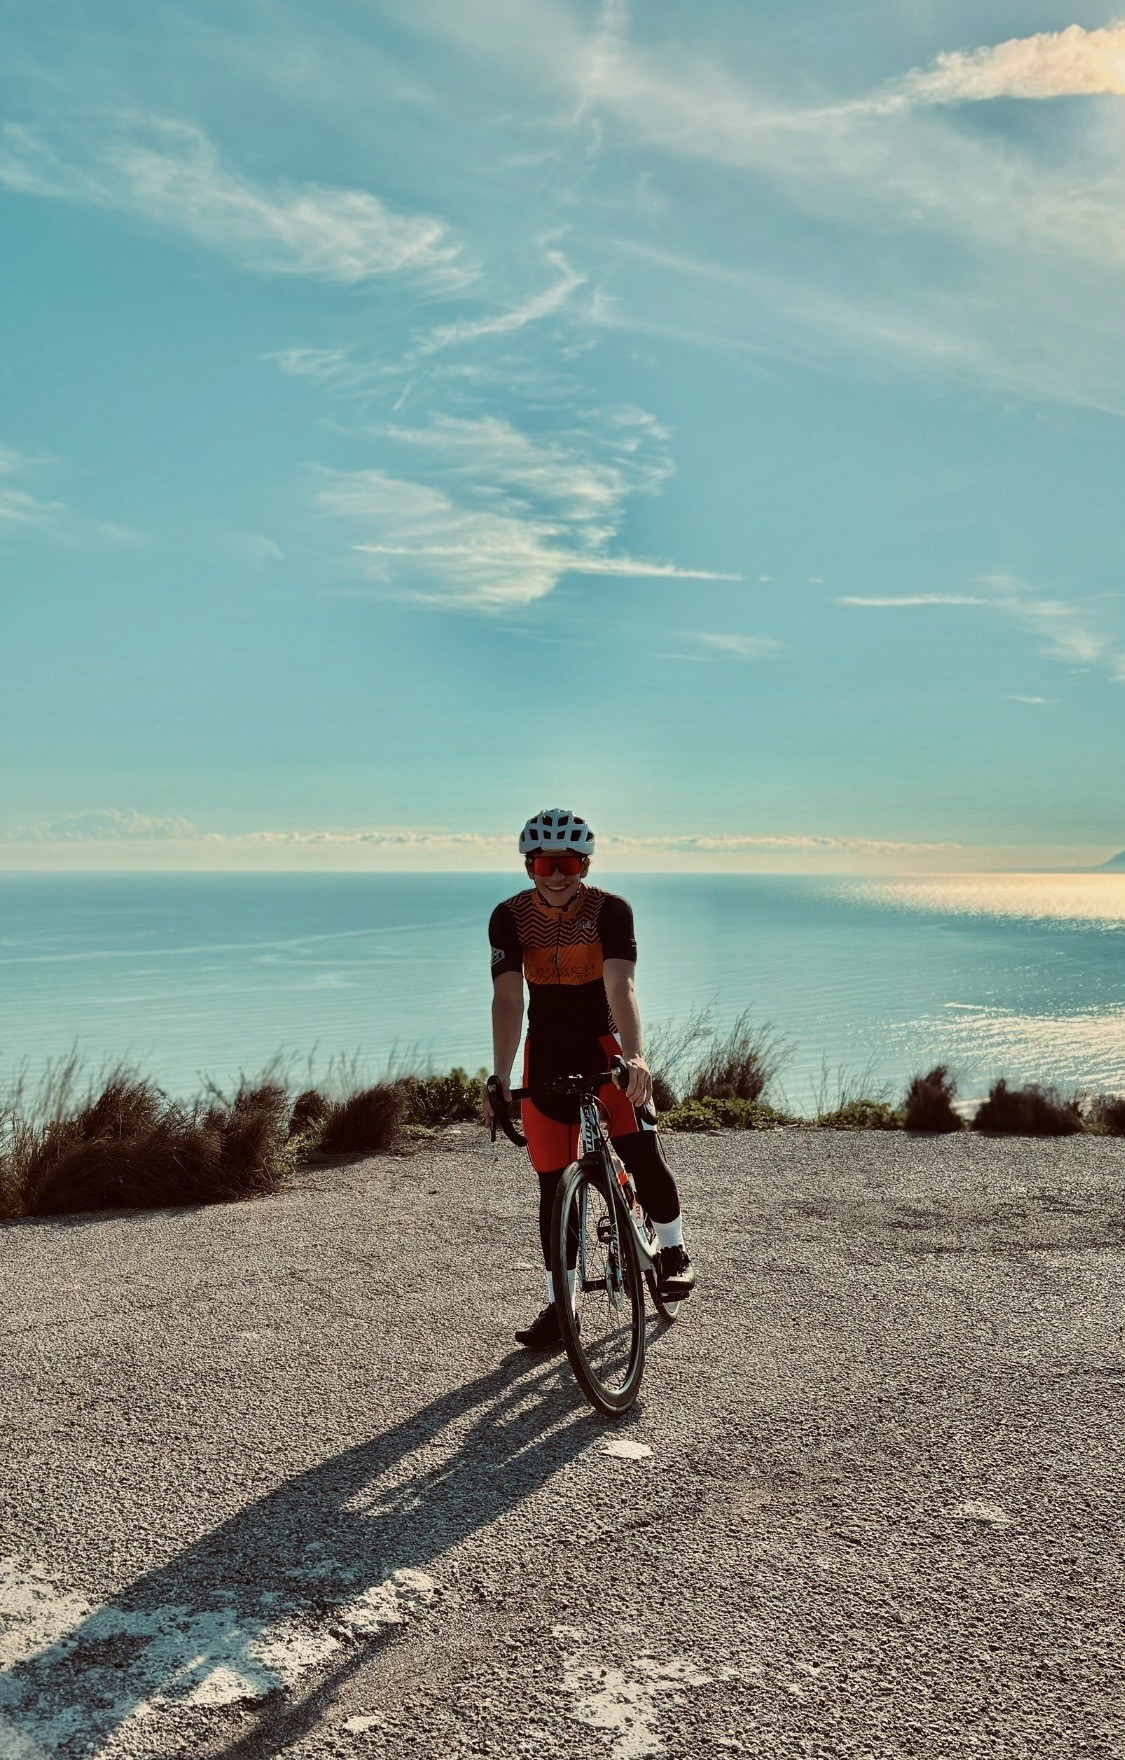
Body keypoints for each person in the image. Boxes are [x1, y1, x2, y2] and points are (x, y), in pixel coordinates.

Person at [483, 807, 696, 1350]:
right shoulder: (507, 917)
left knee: (640, 1151)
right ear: (530, 865)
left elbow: (621, 987)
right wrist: (501, 1076)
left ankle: (671, 1249)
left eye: (570, 862)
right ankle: (563, 1305)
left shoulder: (610, 912)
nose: (558, 875)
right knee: (554, 1187)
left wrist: (637, 1056)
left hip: (604, 1048)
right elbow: (507, 1000)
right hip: (546, 1053)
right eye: (547, 863)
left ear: (585, 863)